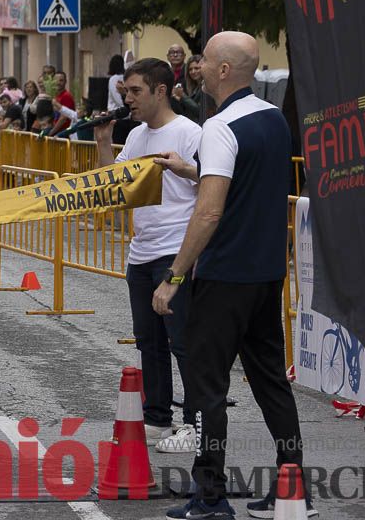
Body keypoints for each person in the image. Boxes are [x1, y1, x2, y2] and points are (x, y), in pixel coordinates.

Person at [154, 31, 307, 520]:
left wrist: (174, 276)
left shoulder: (220, 126)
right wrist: (189, 169)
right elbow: (243, 182)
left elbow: (209, 213)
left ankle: (210, 495)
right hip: (266, 274)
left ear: (223, 70)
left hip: (224, 277)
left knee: (207, 390)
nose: (196, 66)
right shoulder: (272, 119)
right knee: (271, 382)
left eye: (203, 60)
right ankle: (293, 486)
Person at [94, 58, 201, 454]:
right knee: (149, 342)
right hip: (141, 252)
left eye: (136, 91)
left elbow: (213, 183)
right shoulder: (137, 136)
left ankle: (196, 422)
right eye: (126, 92)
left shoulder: (190, 132)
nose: (128, 99)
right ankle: (157, 417)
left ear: (161, 91)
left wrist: (185, 169)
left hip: (175, 250)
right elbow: (114, 187)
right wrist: (103, 142)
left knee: (183, 341)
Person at [173, 54, 204, 124]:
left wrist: (183, 96)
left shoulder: (206, 87)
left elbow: (200, 111)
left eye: (196, 68)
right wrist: (180, 99)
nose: (193, 72)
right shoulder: (194, 87)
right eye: (190, 69)